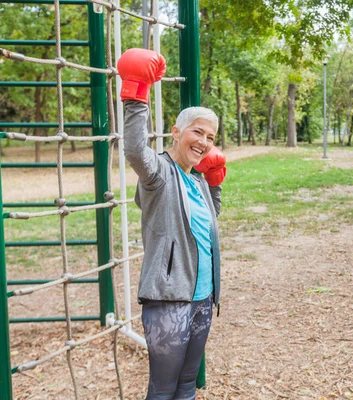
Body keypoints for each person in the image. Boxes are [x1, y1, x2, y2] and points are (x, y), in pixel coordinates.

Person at [117, 48, 227, 400]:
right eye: (198, 133)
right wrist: (136, 95)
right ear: (177, 132)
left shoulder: (196, 181)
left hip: (202, 299)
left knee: (186, 384)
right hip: (168, 299)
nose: (204, 143)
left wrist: (214, 181)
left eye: (210, 137)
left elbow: (208, 222)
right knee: (163, 390)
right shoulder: (159, 174)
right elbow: (134, 149)